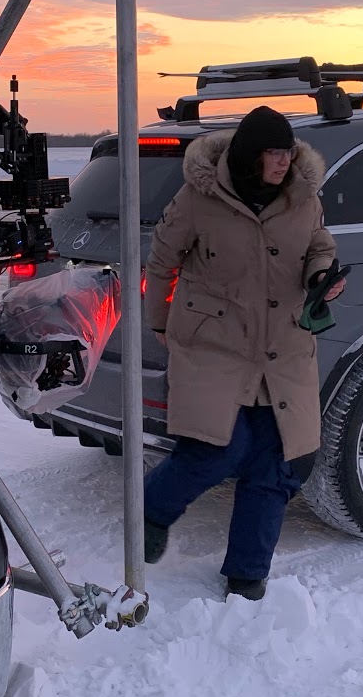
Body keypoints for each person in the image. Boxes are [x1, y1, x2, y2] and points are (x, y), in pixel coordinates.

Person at [141, 105, 345, 600]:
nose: (284, 162)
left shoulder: (303, 197)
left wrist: (322, 274)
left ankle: (247, 573)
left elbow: (320, 244)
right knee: (215, 449)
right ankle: (150, 512)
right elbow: (162, 261)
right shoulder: (198, 198)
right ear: (252, 157)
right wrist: (159, 323)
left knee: (276, 462)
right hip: (216, 343)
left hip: (283, 346)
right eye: (275, 153)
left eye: (289, 151)